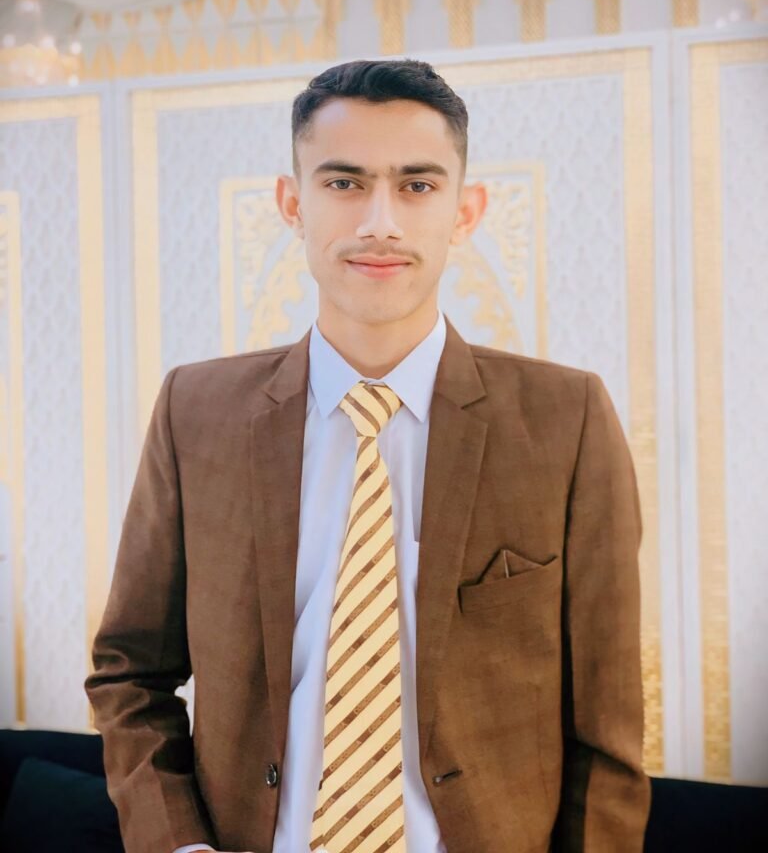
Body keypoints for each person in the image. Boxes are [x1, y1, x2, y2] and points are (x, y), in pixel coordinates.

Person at [85, 58, 650, 853]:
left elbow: (607, 728)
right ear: (293, 203)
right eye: (344, 182)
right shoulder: (195, 412)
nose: (380, 221)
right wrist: (177, 844)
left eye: (417, 185)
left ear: (465, 211)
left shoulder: (567, 419)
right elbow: (130, 675)